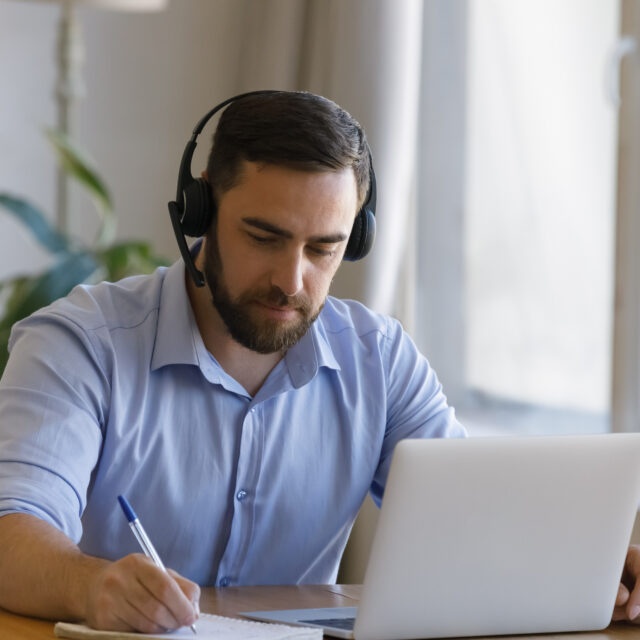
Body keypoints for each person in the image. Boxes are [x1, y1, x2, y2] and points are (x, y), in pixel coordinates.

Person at [0, 91, 636, 633]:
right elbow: (11, 534)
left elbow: (475, 518)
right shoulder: (80, 345)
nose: (292, 279)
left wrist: (594, 564)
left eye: (324, 249)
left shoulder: (379, 361)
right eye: (263, 237)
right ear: (198, 214)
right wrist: (91, 586)